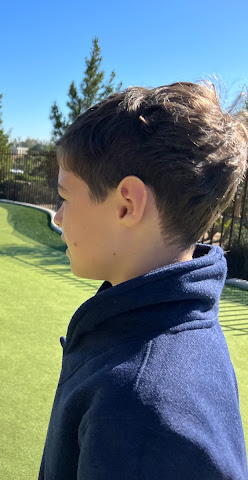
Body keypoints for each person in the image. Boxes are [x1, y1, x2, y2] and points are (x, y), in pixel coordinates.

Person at [39, 82, 248, 479]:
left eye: (66, 197)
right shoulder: (168, 326)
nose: (59, 218)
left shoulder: (139, 404)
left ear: (127, 204)